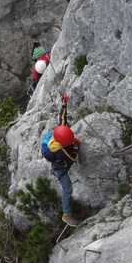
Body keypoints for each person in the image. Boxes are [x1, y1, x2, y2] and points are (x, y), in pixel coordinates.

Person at [42, 95, 80, 226]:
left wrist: (64, 104)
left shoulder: (60, 132)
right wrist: (76, 146)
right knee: (67, 189)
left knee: (67, 188)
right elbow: (72, 159)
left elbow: (62, 118)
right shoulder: (61, 153)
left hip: (59, 163)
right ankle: (67, 214)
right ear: (64, 143)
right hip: (60, 168)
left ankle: (68, 211)